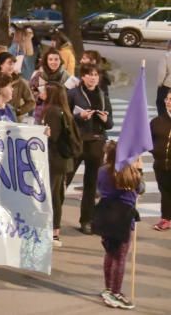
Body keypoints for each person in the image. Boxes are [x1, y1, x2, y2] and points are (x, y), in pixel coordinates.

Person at [96, 141, 144, 310]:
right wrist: (139, 169)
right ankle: (116, 293)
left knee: (110, 253)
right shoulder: (128, 173)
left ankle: (109, 288)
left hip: (105, 214)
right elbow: (140, 188)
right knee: (120, 257)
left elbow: (99, 188)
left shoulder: (103, 171)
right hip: (123, 217)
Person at [67, 63, 113, 234]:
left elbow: (110, 124)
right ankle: (51, 215)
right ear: (83, 77)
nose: (93, 77)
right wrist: (80, 116)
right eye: (90, 74)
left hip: (96, 142)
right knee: (65, 178)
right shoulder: (73, 94)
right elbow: (65, 117)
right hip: (78, 142)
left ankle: (87, 220)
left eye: (96, 74)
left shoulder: (102, 96)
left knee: (91, 185)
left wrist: (104, 119)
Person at [41, 82, 79, 247]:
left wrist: (42, 134)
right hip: (64, 161)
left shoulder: (52, 111)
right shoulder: (64, 111)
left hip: (54, 160)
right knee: (57, 195)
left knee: (53, 196)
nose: (41, 92)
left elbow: (52, 137)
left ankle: (54, 231)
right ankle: (55, 231)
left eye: (44, 90)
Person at [151, 93, 171, 231]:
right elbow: (147, 140)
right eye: (168, 99)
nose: (169, 102)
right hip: (160, 164)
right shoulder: (157, 121)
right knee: (165, 192)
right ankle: (166, 219)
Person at [158, 40, 171, 119]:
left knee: (161, 103)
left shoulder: (166, 56)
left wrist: (160, 83)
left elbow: (161, 72)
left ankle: (164, 124)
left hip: (168, 85)